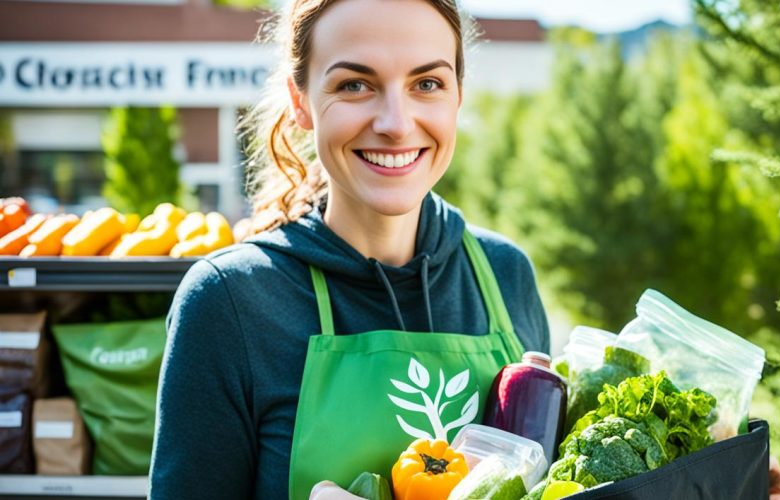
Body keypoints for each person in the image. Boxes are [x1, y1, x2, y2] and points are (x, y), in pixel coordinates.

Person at [148, 0, 549, 499]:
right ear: (301, 101)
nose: (397, 124)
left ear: (458, 96)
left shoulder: (504, 274)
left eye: (427, 84)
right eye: (355, 85)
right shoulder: (230, 302)